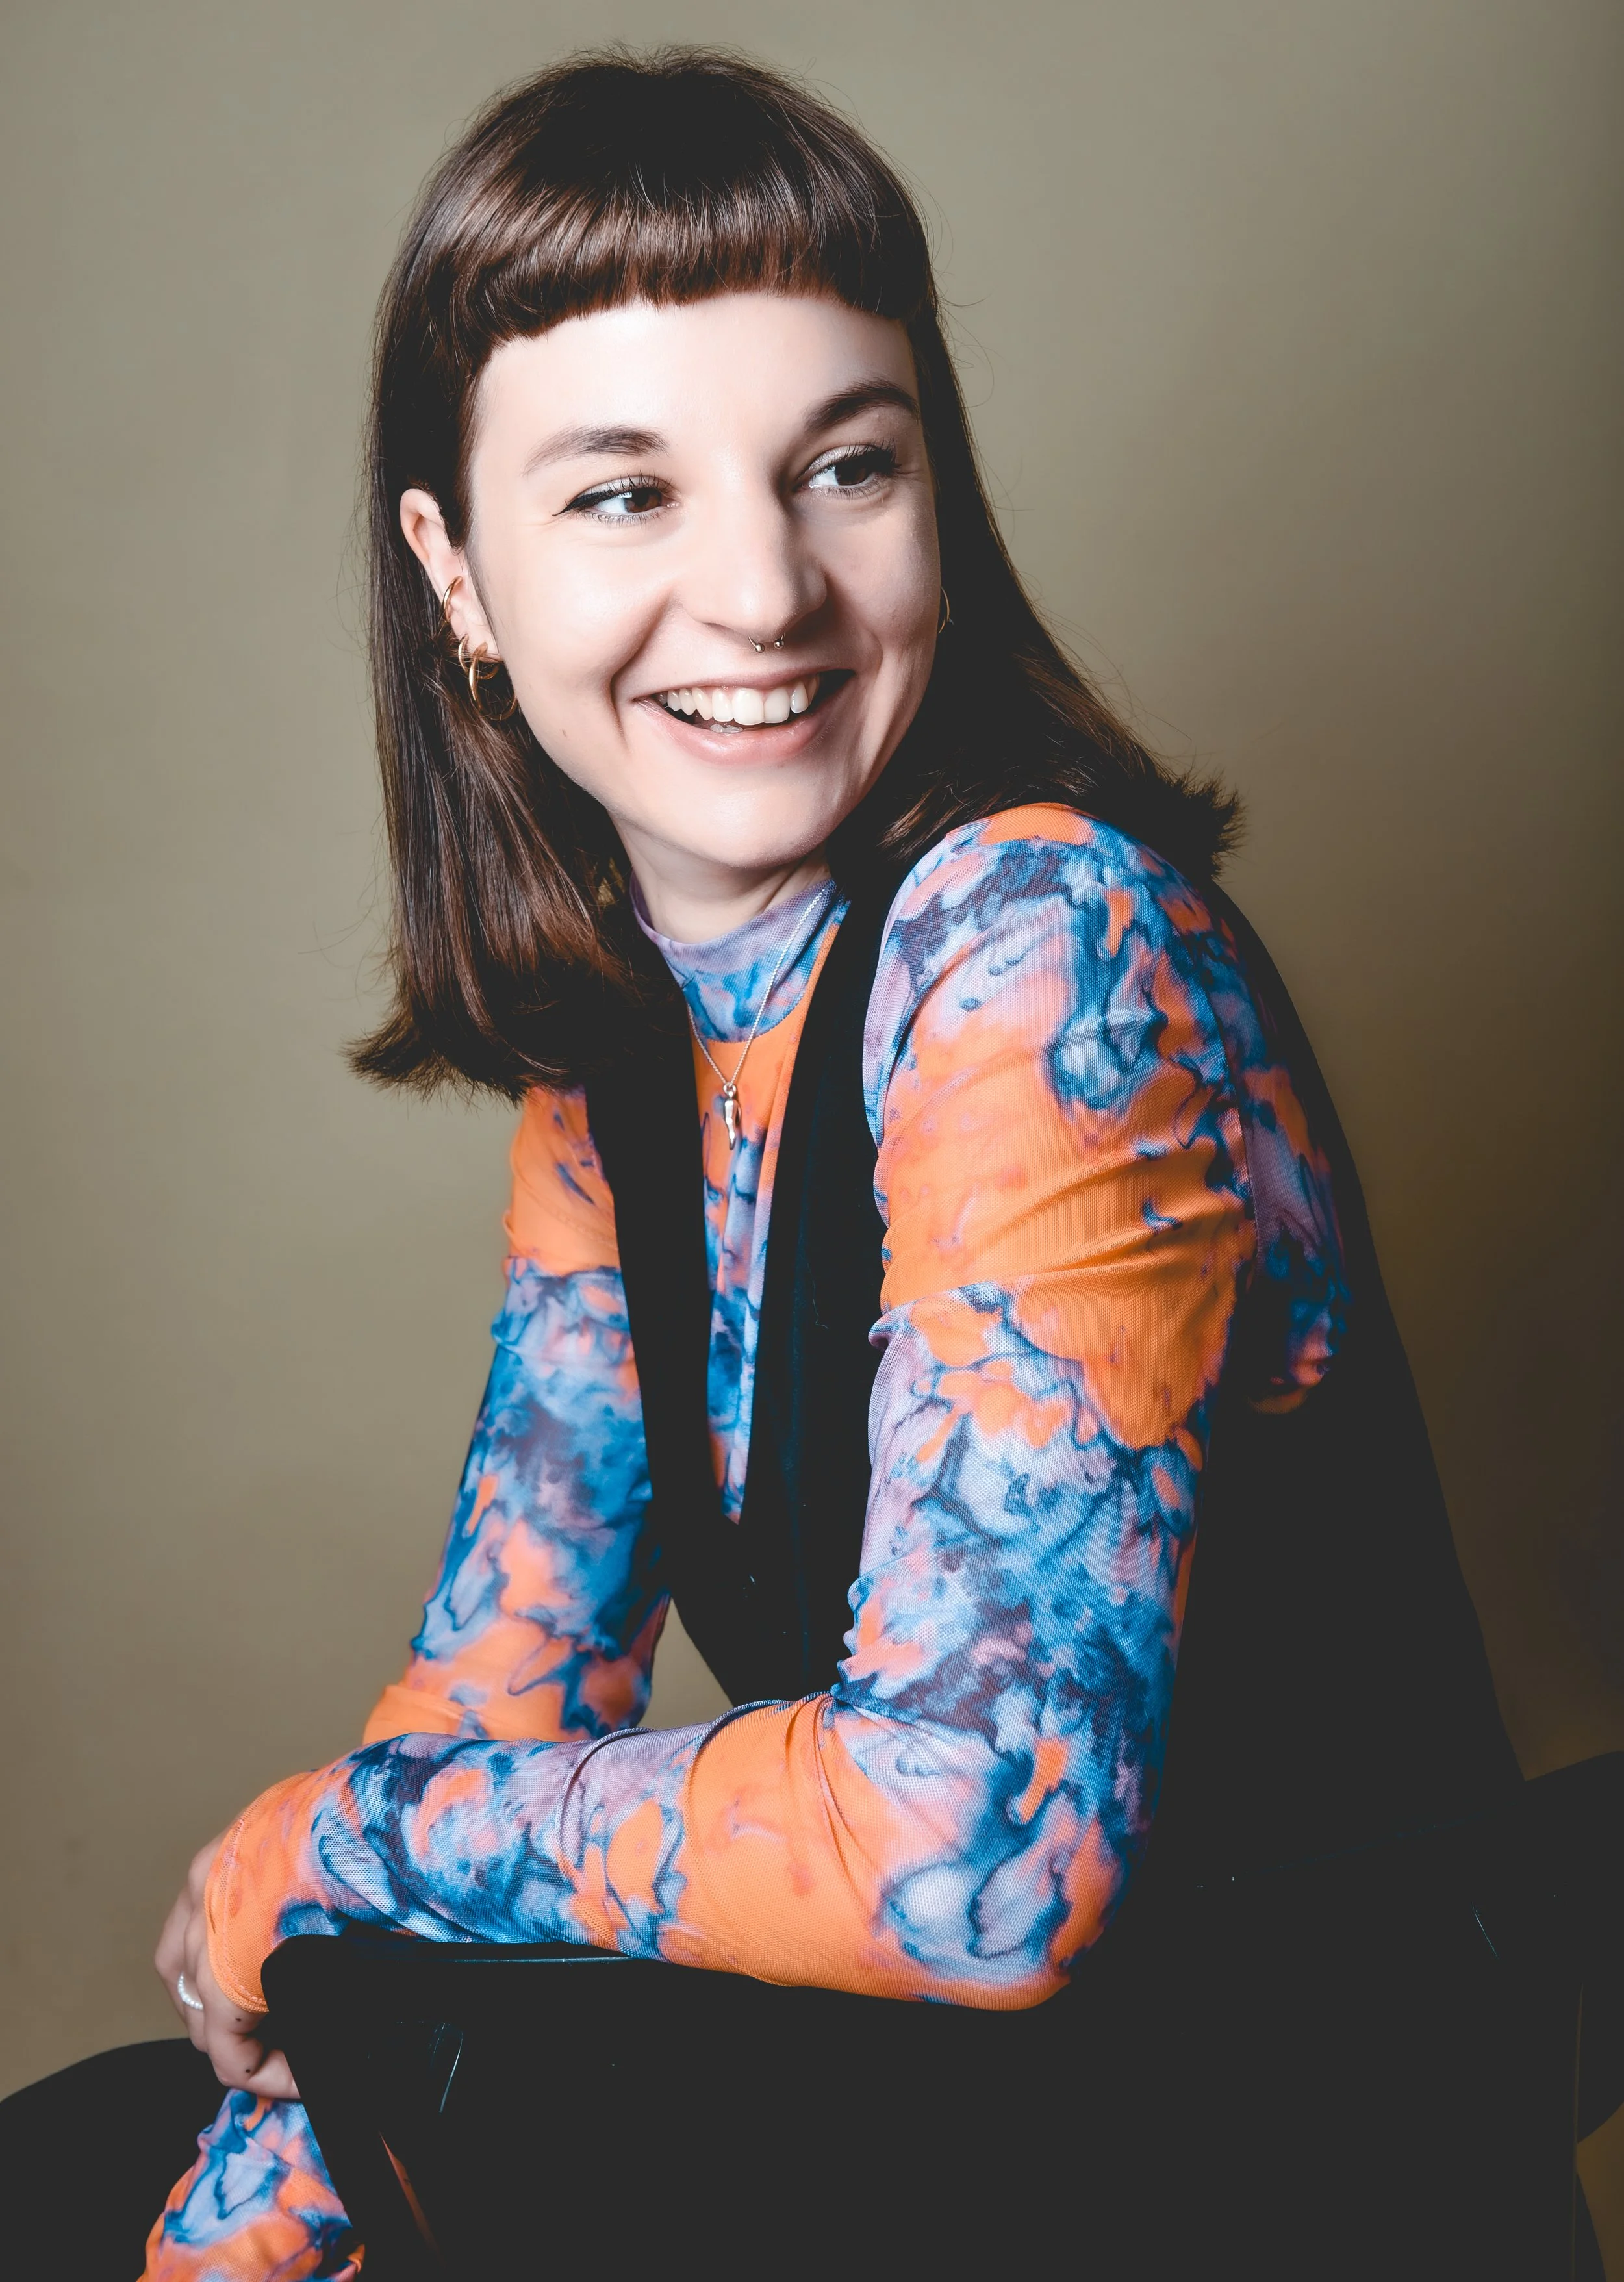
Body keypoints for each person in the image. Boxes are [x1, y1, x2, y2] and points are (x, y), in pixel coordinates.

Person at [3, 47, 1548, 2279]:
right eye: (622, 492)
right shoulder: (617, 1048)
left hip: (1263, 2186)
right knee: (83, 2175)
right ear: (454, 572)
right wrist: (257, 2194)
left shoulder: (1041, 943)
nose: (760, 590)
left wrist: (326, 1849)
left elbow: (974, 1853)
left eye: (844, 465)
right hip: (927, 2164)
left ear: (940, 493)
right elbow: (499, 1695)